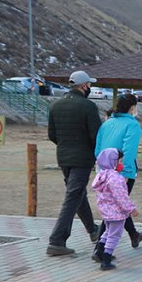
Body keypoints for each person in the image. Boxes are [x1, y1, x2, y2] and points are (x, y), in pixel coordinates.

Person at [45, 70, 102, 257]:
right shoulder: (88, 106)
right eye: (89, 85)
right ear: (84, 86)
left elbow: (52, 134)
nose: (90, 88)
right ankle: (56, 241)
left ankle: (93, 230)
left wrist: (66, 145)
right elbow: (96, 136)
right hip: (82, 158)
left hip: (63, 157)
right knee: (73, 196)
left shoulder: (56, 105)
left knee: (77, 194)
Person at [94, 93, 142, 249]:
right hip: (120, 171)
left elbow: (97, 149)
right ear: (132, 108)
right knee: (116, 207)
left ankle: (134, 234)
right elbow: (129, 151)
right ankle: (100, 250)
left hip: (103, 170)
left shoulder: (107, 124)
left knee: (116, 205)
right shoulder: (132, 125)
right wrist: (126, 173)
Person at [90, 148, 138, 270]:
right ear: (113, 162)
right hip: (116, 213)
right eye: (119, 161)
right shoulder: (115, 178)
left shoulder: (101, 175)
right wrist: (131, 209)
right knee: (114, 235)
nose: (121, 164)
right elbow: (121, 197)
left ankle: (100, 252)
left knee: (107, 232)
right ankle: (106, 260)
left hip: (106, 211)